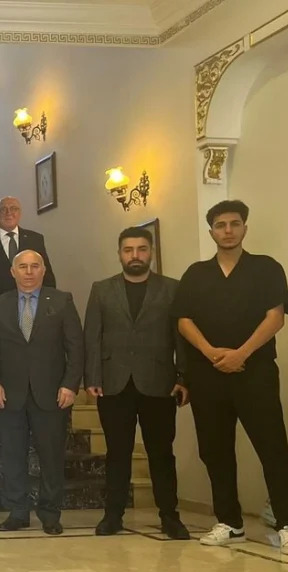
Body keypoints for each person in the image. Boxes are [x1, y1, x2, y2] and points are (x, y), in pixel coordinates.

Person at [174, 200, 288, 555]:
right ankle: (230, 522)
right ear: (211, 232)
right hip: (208, 374)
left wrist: (240, 354)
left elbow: (275, 318)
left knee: (272, 447)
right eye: (221, 225)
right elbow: (183, 320)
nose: (228, 230)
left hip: (255, 372)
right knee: (214, 451)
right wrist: (211, 353)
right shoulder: (196, 274)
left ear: (245, 227)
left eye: (234, 223)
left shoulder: (266, 268)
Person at [84, 227, 190, 540]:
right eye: (128, 250)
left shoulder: (171, 288)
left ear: (151, 253)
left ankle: (170, 516)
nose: (135, 255)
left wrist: (183, 377)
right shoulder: (101, 290)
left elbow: (181, 337)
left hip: (159, 382)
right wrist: (92, 377)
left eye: (142, 249)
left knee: (162, 453)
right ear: (119, 254)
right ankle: (112, 515)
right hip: (113, 383)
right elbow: (92, 336)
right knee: (117, 453)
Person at [0, 250, 82, 535]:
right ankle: (17, 512)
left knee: (51, 456)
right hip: (8, 394)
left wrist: (70, 384)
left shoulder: (61, 301)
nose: (28, 272)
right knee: (12, 455)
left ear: (43, 270)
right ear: (12, 272)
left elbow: (76, 347)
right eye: (22, 267)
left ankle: (50, 513)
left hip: (52, 393)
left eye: (34, 266)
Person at [0, 197, 56, 298]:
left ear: (20, 213)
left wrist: (49, 300)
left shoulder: (35, 239)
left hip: (32, 300)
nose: (8, 213)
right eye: (3, 209)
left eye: (13, 208)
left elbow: (46, 274)